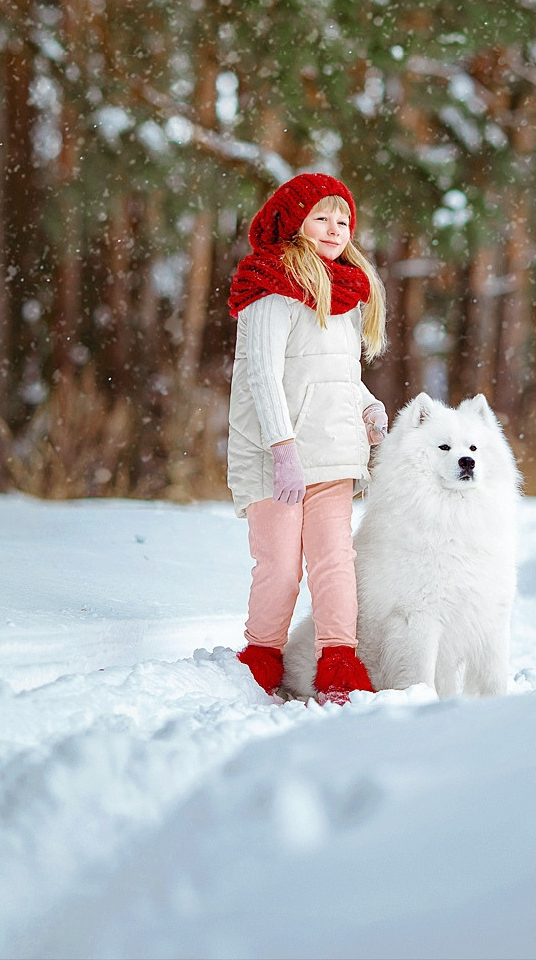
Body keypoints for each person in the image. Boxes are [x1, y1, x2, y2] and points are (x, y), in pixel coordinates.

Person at [227, 173, 388, 703]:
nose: (335, 228)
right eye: (321, 216)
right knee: (280, 565)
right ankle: (262, 658)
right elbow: (264, 375)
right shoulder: (270, 285)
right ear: (293, 221)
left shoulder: (344, 290)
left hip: (332, 447)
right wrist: (282, 448)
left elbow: (336, 373)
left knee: (334, 560)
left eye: (343, 219)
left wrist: (367, 404)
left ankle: (339, 661)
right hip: (278, 451)